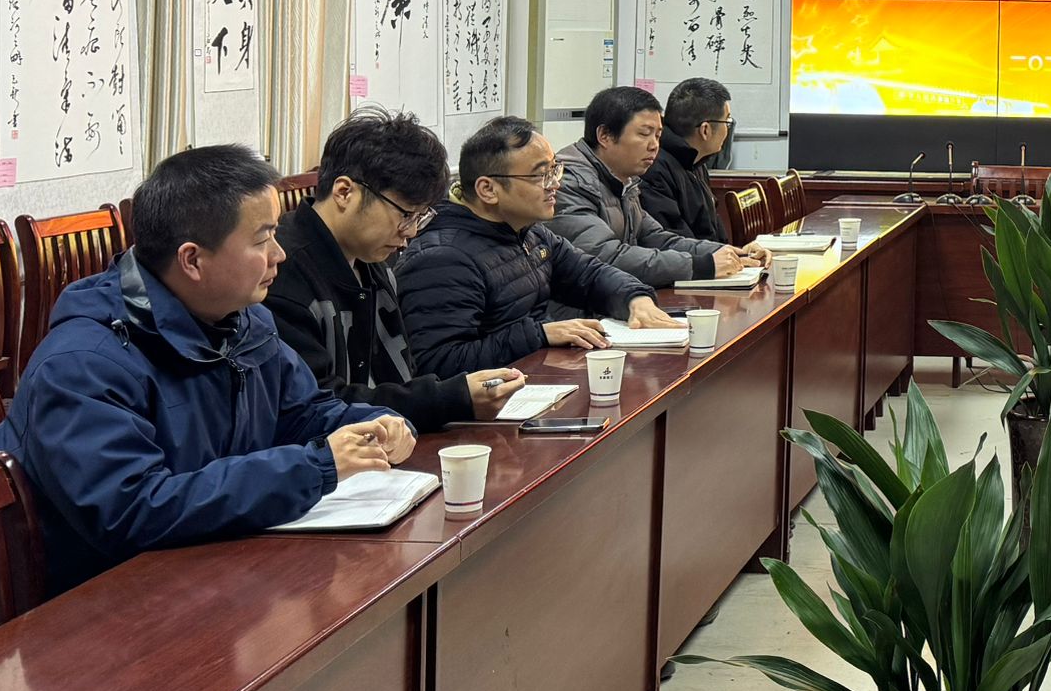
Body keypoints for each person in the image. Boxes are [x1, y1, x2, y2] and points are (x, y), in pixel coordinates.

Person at [0, 145, 408, 591]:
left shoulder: (244, 321)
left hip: (212, 568)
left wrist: (373, 426)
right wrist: (313, 467)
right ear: (192, 260)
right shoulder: (83, 365)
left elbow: (301, 413)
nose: (279, 255)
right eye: (262, 240)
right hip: (107, 599)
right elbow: (135, 511)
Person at [265, 109, 525, 432]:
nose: (411, 232)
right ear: (344, 192)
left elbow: (401, 376)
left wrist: (457, 395)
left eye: (420, 217)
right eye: (405, 215)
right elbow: (317, 407)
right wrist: (450, 397)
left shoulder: (373, 261)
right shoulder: (279, 271)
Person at [398, 117, 681, 377]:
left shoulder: (528, 232)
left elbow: (589, 274)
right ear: (488, 189)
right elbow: (440, 364)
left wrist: (635, 299)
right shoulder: (441, 258)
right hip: (494, 404)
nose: (555, 184)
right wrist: (540, 334)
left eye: (555, 170)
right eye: (540, 175)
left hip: (537, 380)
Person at [554, 85, 752, 286]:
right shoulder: (569, 182)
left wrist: (730, 253)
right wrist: (702, 265)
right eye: (644, 134)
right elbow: (605, 257)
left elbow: (658, 239)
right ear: (605, 135)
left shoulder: (625, 180)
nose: (654, 145)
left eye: (657, 135)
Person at [642, 76, 734, 250]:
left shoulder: (696, 161)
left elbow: (713, 232)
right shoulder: (654, 169)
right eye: (727, 122)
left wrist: (739, 254)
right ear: (705, 130)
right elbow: (672, 243)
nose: (727, 130)